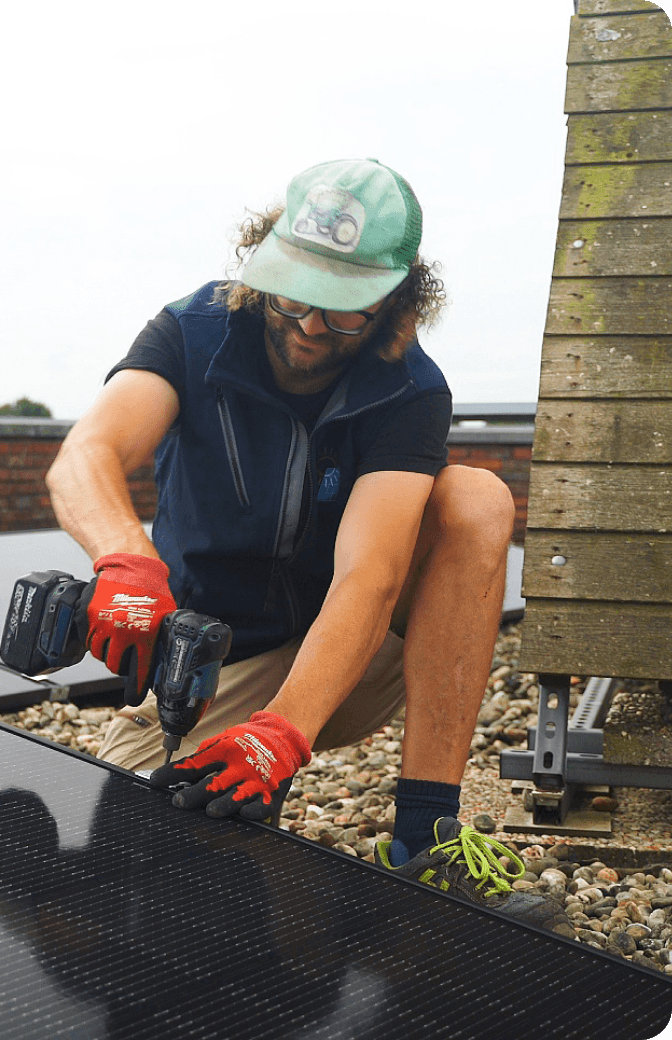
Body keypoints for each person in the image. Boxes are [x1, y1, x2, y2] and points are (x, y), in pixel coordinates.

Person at [46, 158, 571, 934]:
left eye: (345, 310)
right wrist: (128, 559)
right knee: (139, 871)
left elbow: (372, 575)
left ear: (397, 303)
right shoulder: (191, 333)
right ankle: (238, 752)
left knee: (476, 499)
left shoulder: (409, 388)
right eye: (297, 296)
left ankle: (426, 836)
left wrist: (287, 729)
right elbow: (83, 457)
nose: (311, 326)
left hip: (349, 651)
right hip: (215, 660)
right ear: (265, 263)